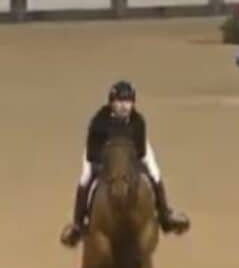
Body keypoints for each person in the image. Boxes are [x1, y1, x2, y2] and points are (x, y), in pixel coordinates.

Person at [60, 81, 190, 247]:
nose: (124, 106)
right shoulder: (99, 121)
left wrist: (132, 167)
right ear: (112, 103)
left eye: (128, 102)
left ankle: (165, 216)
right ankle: (78, 225)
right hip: (100, 155)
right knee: (86, 178)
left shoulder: (138, 121)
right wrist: (104, 166)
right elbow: (93, 152)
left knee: (154, 173)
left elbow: (140, 151)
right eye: (119, 101)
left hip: (133, 153)